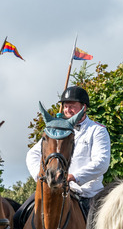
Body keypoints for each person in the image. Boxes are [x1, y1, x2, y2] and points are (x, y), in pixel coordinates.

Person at [23, 85, 111, 220]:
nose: (67, 110)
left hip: (86, 194)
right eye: (65, 106)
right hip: (54, 189)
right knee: (19, 217)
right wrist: (41, 177)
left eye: (72, 106)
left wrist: (73, 176)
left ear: (84, 107)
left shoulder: (97, 130)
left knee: (98, 228)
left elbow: (102, 162)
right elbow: (32, 154)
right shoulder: (57, 129)